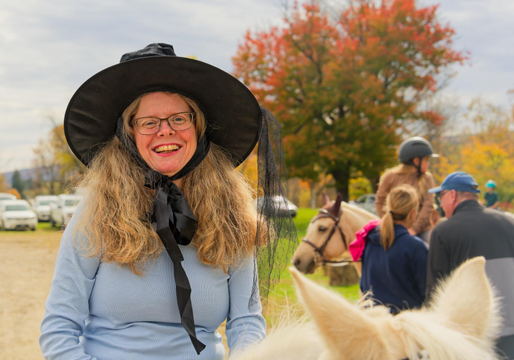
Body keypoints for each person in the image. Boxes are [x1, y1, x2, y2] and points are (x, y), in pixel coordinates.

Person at [39, 43, 296, 360]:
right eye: (148, 122)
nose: (165, 131)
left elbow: (246, 324)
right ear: (129, 135)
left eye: (179, 118)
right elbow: (59, 331)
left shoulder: (233, 218)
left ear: (198, 128)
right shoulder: (95, 215)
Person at [427, 171, 514, 359]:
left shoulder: (443, 232)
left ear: (452, 195)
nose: (440, 204)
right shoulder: (510, 222)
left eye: (441, 197)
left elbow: (435, 289)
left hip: (473, 336)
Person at [359, 185, 428, 314]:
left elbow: (364, 286)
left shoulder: (369, 242)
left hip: (373, 322)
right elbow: (428, 294)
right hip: (404, 327)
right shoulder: (416, 248)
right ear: (412, 213)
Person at [375, 136, 437, 243]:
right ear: (416, 160)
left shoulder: (427, 178)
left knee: (432, 245)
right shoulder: (389, 177)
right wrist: (391, 225)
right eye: (426, 160)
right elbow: (380, 202)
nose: (428, 164)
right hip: (393, 230)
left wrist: (413, 229)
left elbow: (428, 205)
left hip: (421, 230)